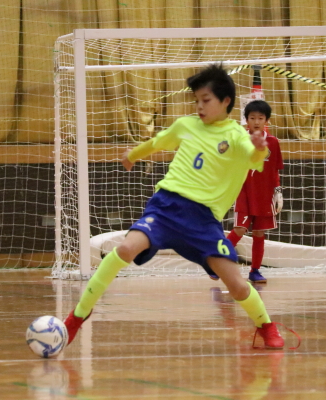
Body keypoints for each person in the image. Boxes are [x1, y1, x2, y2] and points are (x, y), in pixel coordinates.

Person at [64, 64, 285, 349]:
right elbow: (158, 142)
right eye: (196, 100)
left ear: (225, 101)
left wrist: (259, 146)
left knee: (237, 284)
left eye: (206, 100)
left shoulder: (237, 136)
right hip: (166, 207)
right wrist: (133, 154)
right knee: (126, 248)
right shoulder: (185, 125)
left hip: (203, 221)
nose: (199, 106)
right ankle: (78, 315)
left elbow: (255, 158)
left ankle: (266, 325)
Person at [226, 100, 283, 283]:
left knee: (259, 233)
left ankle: (255, 271)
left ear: (267, 120)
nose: (256, 122)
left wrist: (278, 190)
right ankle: (217, 260)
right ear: (246, 120)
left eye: (260, 118)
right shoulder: (239, 140)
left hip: (265, 194)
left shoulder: (273, 142)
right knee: (239, 229)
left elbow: (275, 170)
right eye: (252, 118)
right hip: (243, 191)